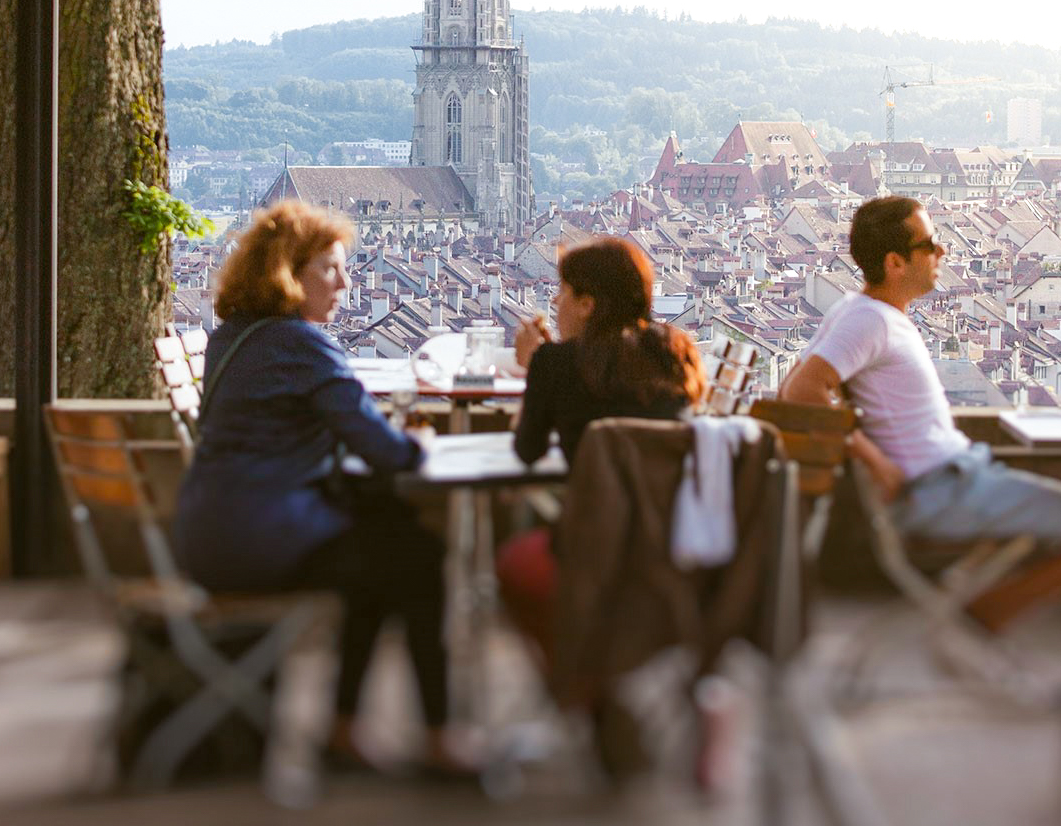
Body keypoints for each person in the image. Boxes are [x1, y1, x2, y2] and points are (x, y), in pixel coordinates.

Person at [169, 200, 469, 779]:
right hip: (260, 541)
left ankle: (345, 729)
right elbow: (386, 451)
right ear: (289, 273)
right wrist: (421, 446)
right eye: (329, 268)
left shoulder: (233, 338)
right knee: (419, 558)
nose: (345, 283)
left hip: (206, 535)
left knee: (386, 546)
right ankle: (435, 737)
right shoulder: (301, 345)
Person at [779, 195, 1061, 631]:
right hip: (940, 492)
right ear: (895, 262)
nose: (943, 251)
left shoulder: (860, 311)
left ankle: (988, 614)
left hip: (955, 482)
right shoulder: (871, 321)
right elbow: (801, 391)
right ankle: (986, 616)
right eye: (930, 244)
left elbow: (792, 384)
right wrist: (873, 461)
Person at [499, 237, 707, 655]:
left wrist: (534, 372)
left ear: (587, 304)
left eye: (563, 292)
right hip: (680, 541)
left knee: (512, 563)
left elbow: (527, 451)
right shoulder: (677, 350)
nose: (555, 303)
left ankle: (573, 672)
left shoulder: (555, 363)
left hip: (594, 547)